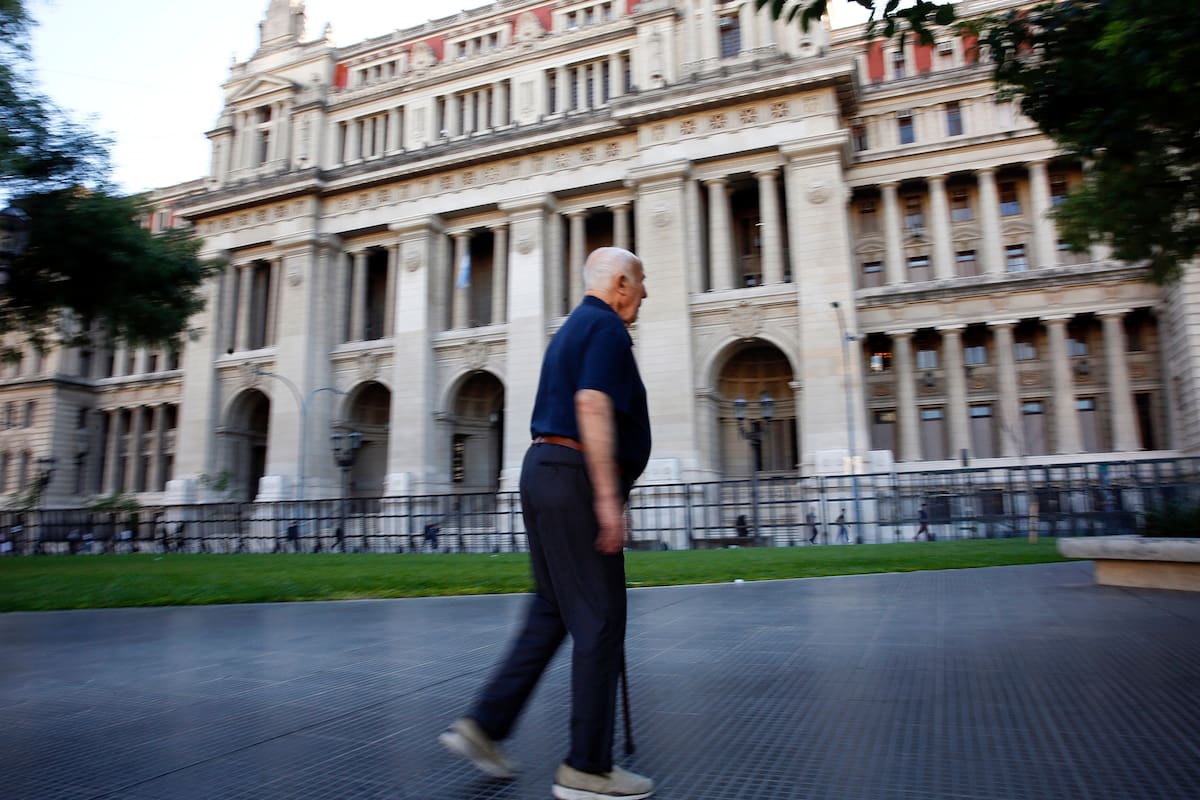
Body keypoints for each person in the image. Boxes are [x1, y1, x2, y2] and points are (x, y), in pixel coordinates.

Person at [439, 247, 654, 800]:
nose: (646, 294)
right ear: (621, 283)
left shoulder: (569, 331)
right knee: (600, 621)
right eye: (643, 282)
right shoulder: (604, 329)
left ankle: (485, 725)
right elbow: (592, 405)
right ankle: (588, 768)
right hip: (575, 477)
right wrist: (607, 501)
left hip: (543, 472)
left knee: (553, 608)